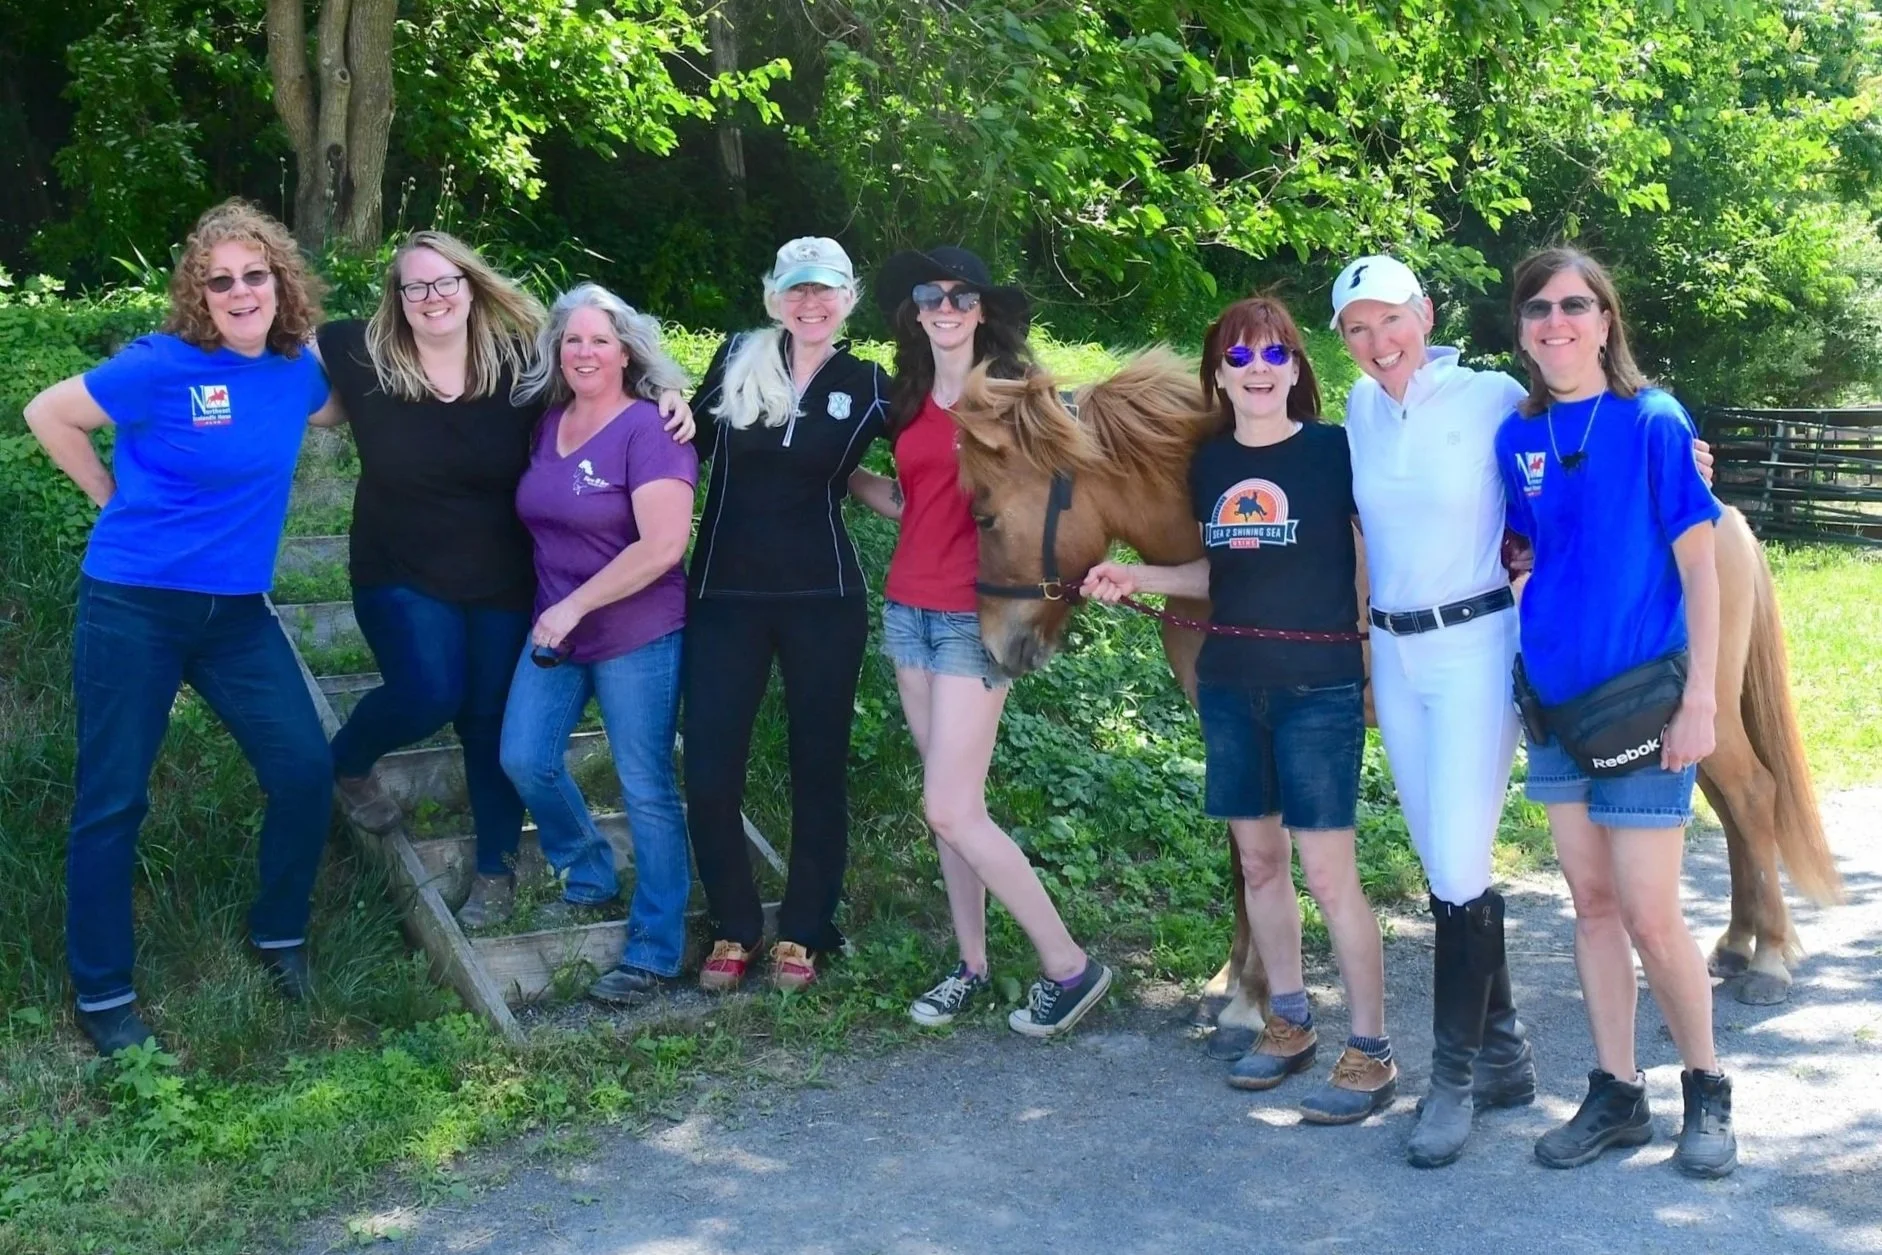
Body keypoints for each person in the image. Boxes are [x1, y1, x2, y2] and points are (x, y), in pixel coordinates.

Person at [23, 199, 339, 1054]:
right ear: (199, 293)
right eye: (221, 280)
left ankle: (278, 933)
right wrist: (111, 499)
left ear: (281, 282)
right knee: (113, 796)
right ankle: (103, 993)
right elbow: (47, 413)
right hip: (135, 604)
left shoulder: (293, 374)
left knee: (307, 770)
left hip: (235, 616)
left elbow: (341, 407)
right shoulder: (160, 366)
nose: (240, 292)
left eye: (256, 275)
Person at [314, 232, 692, 931]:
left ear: (470, 284)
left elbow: (603, 368)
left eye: (445, 282)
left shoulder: (517, 364)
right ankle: (343, 760)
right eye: (415, 286)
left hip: (502, 578)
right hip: (397, 566)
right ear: (396, 299)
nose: (432, 297)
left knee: (490, 723)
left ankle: (495, 868)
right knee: (431, 689)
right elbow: (268, 361)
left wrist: (670, 390)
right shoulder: (357, 351)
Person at [1082, 296, 1395, 1122]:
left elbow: (1416, 515)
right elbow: (1215, 571)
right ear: (1218, 375)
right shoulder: (1210, 466)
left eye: (1274, 355)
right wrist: (1135, 576)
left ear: (1297, 367)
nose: (1258, 370)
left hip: (1320, 688)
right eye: (1240, 357)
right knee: (1259, 862)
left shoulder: (1339, 453)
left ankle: (1371, 1048)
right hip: (1231, 685)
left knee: (1329, 874)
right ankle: (1289, 1018)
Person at [1493, 247, 1735, 1178]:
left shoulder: (1656, 420)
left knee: (1649, 913)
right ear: (1520, 330)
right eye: (1538, 309)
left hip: (1645, 705)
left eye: (1575, 305)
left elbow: (1700, 566)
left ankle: (1706, 1086)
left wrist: (1703, 695)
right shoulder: (1517, 437)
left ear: (1605, 319)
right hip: (1555, 705)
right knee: (1590, 904)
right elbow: (1534, 542)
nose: (1556, 322)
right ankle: (1616, 1090)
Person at [874, 245, 1113, 1038]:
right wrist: (828, 478)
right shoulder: (905, 399)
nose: (944, 308)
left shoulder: (1015, 401)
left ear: (981, 312)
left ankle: (1070, 966)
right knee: (952, 809)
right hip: (906, 610)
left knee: (947, 805)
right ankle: (971, 964)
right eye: (930, 296)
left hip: (975, 621)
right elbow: (913, 500)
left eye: (960, 296)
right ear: (915, 311)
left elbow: (1067, 500)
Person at [1330, 255, 1537, 1165]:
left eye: (1390, 320)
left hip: (1474, 642)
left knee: (1457, 860)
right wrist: (1370, 657)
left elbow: (1582, 427)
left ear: (1426, 312)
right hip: (1398, 650)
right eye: (1356, 329)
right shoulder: (1359, 410)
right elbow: (1366, 534)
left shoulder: (1491, 394)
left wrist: (1680, 450)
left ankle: (1451, 1080)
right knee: (1439, 858)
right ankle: (1506, 1052)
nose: (1378, 343)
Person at [683, 238, 895, 992]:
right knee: (708, 771)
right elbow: (688, 445)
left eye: (826, 290)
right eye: (797, 290)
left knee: (818, 768)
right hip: (721, 596)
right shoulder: (739, 354)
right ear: (776, 295)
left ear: (847, 297)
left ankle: (805, 928)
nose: (811, 303)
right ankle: (734, 925)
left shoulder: (868, 382)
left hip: (823, 600)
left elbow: (931, 464)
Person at [499, 283, 699, 1005]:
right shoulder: (547, 421)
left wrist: (576, 605)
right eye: (572, 339)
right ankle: (587, 870)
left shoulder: (651, 428)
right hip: (559, 625)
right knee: (523, 755)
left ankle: (654, 948)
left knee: (645, 785)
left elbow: (664, 545)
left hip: (634, 631)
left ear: (626, 352)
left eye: (600, 340)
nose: (584, 351)